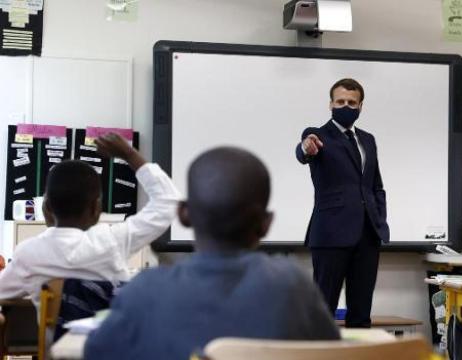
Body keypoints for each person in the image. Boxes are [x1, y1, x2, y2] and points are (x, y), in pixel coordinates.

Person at [85, 147, 339, 360]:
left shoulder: (144, 291)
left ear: (184, 214)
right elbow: (333, 352)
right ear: (266, 223)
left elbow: (95, 352)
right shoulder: (294, 287)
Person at [0, 134, 180, 311]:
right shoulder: (112, 242)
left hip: (58, 341)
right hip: (109, 340)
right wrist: (130, 154)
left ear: (46, 208)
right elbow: (169, 202)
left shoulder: (28, 254)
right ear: (96, 209)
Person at [295, 78, 389, 328]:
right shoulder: (317, 135)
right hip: (330, 233)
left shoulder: (367, 139)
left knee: (361, 312)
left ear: (360, 107)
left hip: (368, 234)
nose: (346, 106)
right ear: (331, 104)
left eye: (351, 102)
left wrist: (380, 221)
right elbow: (303, 152)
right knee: (323, 310)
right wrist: (306, 148)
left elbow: (375, 185)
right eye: (340, 102)